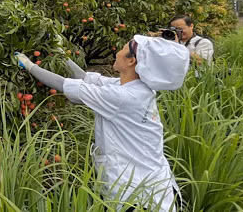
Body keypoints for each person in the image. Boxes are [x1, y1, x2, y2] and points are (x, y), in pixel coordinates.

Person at [16, 35, 189, 212]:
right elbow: (84, 78)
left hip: (137, 197)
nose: (117, 52)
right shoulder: (136, 87)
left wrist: (29, 66)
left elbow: (63, 84)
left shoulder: (122, 97)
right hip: (155, 186)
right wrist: (60, 53)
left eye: (122, 48)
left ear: (131, 60)